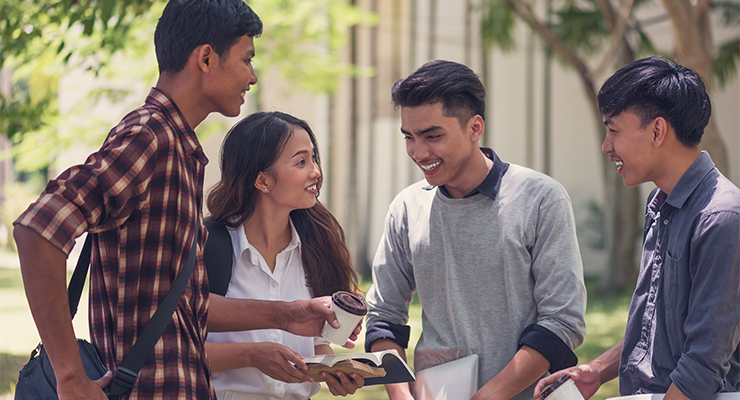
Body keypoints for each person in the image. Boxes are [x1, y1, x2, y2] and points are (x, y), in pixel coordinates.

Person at [13, 1, 353, 399]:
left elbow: (184, 308)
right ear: (206, 58)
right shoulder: (150, 137)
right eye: (246, 60)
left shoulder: (177, 148)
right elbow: (38, 230)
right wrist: (70, 375)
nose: (253, 77)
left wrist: (288, 314)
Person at [364, 59, 587, 400]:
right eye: (409, 137)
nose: (419, 152)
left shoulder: (540, 198)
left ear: (474, 127)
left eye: (433, 136)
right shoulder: (407, 208)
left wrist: (487, 397)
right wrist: (400, 394)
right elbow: (383, 316)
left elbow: (562, 322)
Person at [534, 57, 740, 400]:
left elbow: (703, 364)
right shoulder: (661, 203)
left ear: (657, 131)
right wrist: (597, 370)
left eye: (614, 130)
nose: (606, 146)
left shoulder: (721, 216)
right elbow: (652, 323)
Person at [203, 111, 365, 399]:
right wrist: (250, 355)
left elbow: (315, 344)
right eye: (301, 161)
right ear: (262, 180)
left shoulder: (318, 245)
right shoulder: (209, 247)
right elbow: (176, 350)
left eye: (314, 158)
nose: (316, 171)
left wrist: (332, 369)